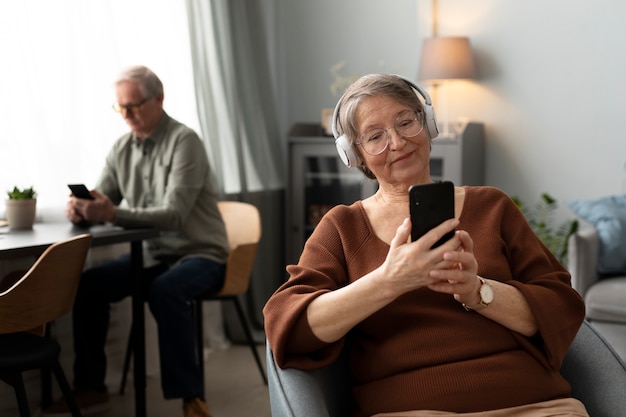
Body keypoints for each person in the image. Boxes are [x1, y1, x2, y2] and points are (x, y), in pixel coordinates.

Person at [263, 73, 589, 417]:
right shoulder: (342, 227)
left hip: (533, 403)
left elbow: (560, 308)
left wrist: (477, 292)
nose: (398, 142)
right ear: (355, 155)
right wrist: (388, 281)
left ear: (428, 125)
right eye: (375, 136)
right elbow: (290, 327)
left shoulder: (493, 206)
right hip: (411, 409)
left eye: (406, 122)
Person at [45, 65, 229, 417]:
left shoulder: (185, 142)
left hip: (202, 254)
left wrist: (110, 213)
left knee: (165, 289)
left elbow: (174, 215)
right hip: (152, 255)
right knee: (87, 286)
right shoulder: (120, 149)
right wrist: (84, 208)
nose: (126, 115)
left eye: (133, 106)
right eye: (120, 108)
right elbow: (106, 199)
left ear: (159, 99)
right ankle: (90, 387)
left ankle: (191, 397)